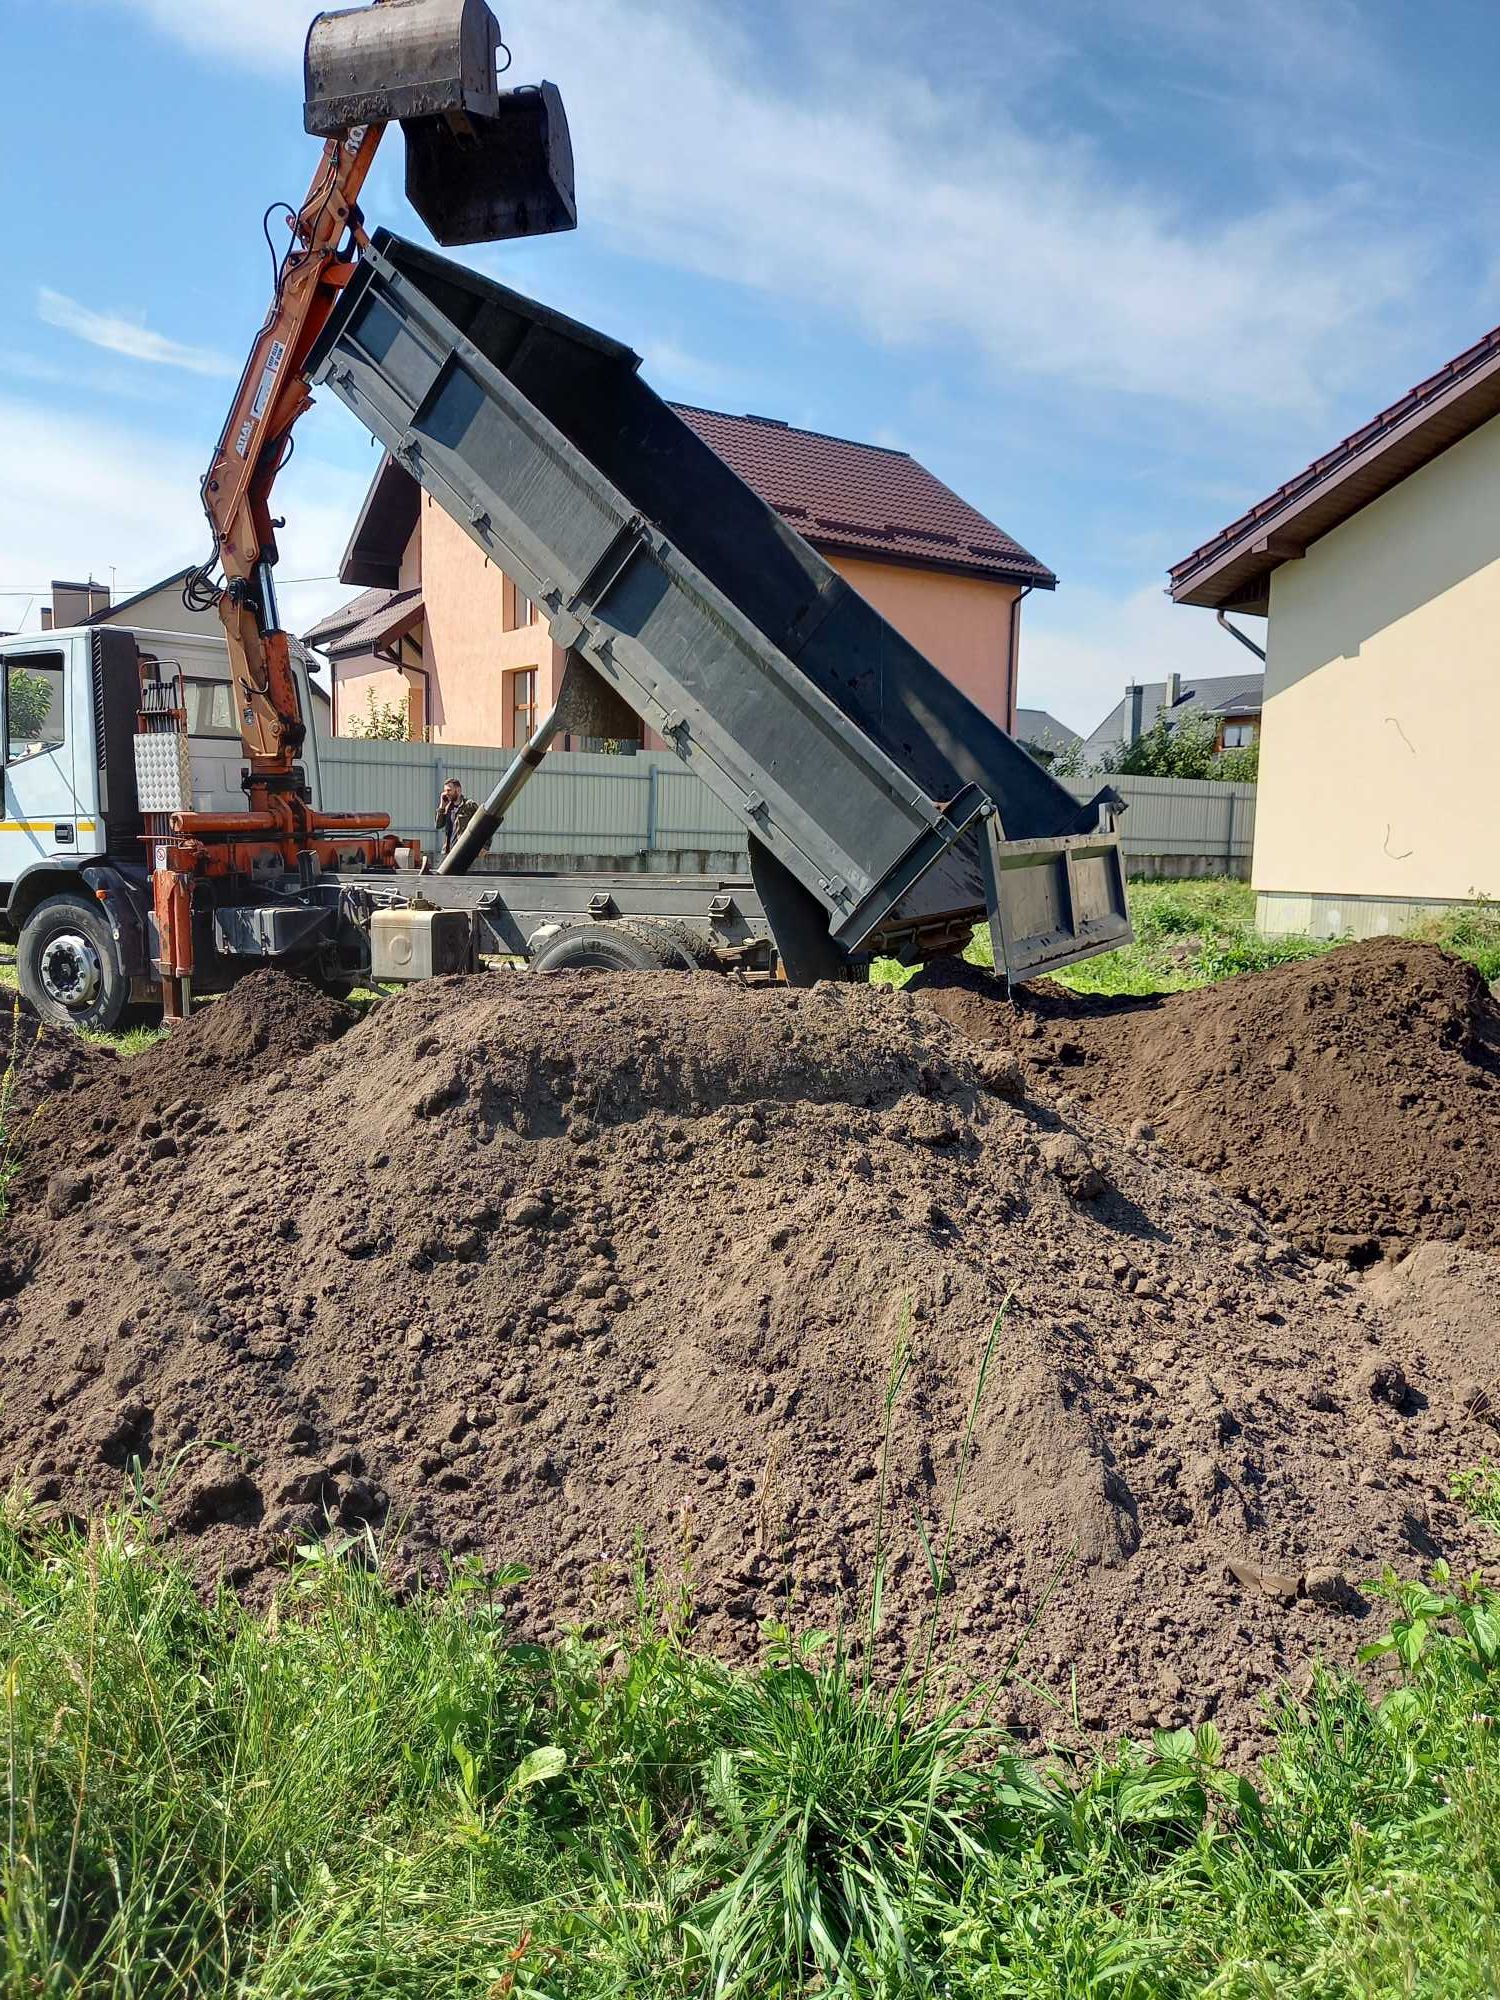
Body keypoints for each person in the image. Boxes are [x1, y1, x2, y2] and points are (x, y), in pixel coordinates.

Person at [435, 778, 478, 857]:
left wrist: (485, 847)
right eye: (445, 791)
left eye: (449, 790)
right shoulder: (448, 807)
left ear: (458, 790)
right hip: (448, 852)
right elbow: (438, 825)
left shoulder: (469, 806)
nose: (446, 793)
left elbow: (484, 824)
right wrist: (442, 806)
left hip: (464, 850)